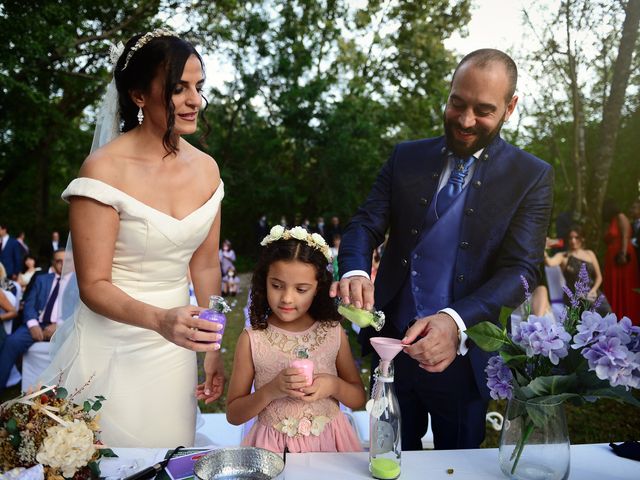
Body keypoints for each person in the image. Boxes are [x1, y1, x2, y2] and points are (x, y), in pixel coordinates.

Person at [332, 49, 553, 450]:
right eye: (457, 103)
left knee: (460, 461)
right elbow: (365, 223)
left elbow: (522, 269)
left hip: (466, 358)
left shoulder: (532, 176)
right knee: (389, 454)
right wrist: (355, 271)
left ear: (510, 107)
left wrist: (455, 321)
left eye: (484, 110)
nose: (466, 121)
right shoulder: (406, 156)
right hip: (391, 345)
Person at [43, 29, 226, 448]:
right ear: (139, 96)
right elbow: (92, 286)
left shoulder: (207, 169)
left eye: (199, 87)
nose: (194, 100)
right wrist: (161, 320)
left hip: (175, 350)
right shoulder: (103, 171)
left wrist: (213, 344)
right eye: (179, 88)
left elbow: (206, 263)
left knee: (169, 453)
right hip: (111, 347)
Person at [226, 226, 364, 453]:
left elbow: (357, 398)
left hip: (330, 445)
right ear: (264, 282)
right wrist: (271, 390)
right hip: (273, 450)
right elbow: (234, 414)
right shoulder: (252, 339)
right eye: (277, 286)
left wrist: (333, 384)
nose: (287, 298)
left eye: (301, 289)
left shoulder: (333, 332)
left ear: (318, 288)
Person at [0, 250, 65, 393]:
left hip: (63, 327)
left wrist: (60, 326)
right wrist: (33, 325)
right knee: (12, 342)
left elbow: (76, 310)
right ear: (53, 263)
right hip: (37, 323)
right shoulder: (42, 279)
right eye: (58, 261)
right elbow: (29, 304)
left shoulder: (76, 284)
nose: (62, 264)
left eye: (65, 261)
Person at [544, 225, 611, 315]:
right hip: (575, 297)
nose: (573, 241)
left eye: (576, 237)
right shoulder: (564, 256)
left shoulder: (589, 253)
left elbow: (599, 277)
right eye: (570, 238)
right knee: (589, 315)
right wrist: (543, 249)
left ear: (582, 239)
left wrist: (594, 290)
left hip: (593, 293)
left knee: (607, 314)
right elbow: (549, 263)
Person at [602, 200, 640, 321]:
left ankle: (628, 316)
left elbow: (625, 236)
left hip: (621, 256)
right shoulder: (610, 221)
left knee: (624, 286)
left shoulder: (621, 217)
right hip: (612, 259)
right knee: (614, 286)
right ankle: (614, 315)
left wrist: (623, 253)